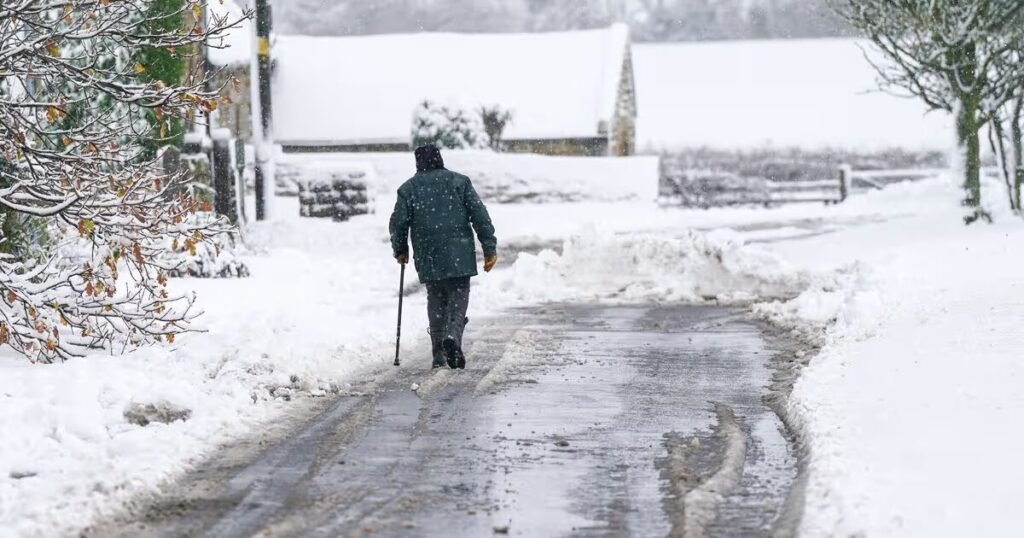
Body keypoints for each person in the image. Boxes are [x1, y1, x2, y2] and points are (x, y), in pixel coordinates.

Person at [389, 145, 498, 369]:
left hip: (428, 253)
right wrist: (489, 248)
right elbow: (480, 215)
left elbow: (398, 223)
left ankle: (438, 353)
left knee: (436, 296)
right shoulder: (460, 182)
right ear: (440, 159)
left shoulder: (408, 189)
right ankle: (453, 336)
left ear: (418, 163)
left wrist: (400, 249)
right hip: (459, 252)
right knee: (458, 295)